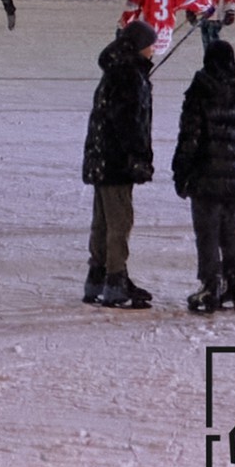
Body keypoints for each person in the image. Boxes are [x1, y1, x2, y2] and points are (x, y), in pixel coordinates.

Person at [171, 40, 235, 312]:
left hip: (206, 179)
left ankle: (211, 284)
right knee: (228, 232)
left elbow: (189, 139)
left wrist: (181, 172)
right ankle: (234, 280)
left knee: (207, 233)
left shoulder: (200, 95)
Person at [81, 21, 157, 309]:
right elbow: (129, 123)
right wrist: (138, 156)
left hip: (101, 157)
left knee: (102, 220)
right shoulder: (128, 75)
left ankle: (97, 276)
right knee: (119, 221)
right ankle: (115, 279)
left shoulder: (116, 70)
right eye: (150, 44)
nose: (153, 50)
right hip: (116, 160)